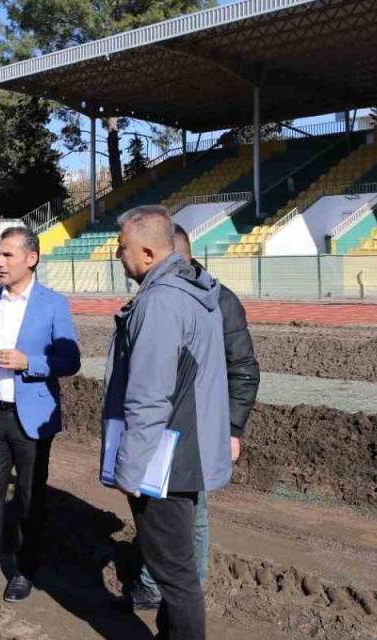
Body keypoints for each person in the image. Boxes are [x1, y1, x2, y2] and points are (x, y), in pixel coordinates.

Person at [102, 206, 232, 640]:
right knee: (177, 571)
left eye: (122, 249)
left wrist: (130, 469)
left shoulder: (160, 303)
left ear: (148, 253)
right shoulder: (196, 292)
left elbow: (149, 397)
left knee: (174, 577)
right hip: (187, 452)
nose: (119, 257)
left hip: (164, 463)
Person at [124, 224, 261, 610]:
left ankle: (175, 590)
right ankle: (165, 582)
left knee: (192, 514)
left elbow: (244, 368)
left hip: (198, 427)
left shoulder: (220, 301)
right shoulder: (159, 296)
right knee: (159, 510)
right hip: (165, 421)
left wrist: (231, 428)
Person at [0, 226, 81, 602]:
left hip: (31, 416)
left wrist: (31, 362)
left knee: (29, 498)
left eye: (7, 255)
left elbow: (71, 359)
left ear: (31, 258)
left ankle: (25, 570)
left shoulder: (53, 304)